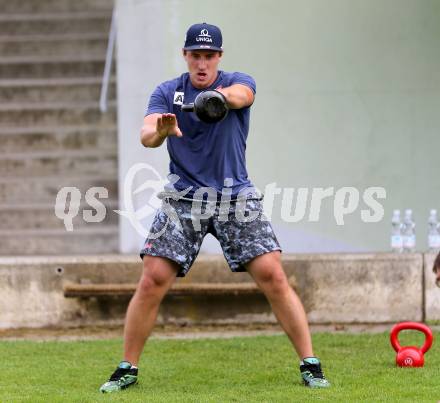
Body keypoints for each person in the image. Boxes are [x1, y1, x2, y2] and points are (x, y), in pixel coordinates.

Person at [100, 22, 330, 393]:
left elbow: (243, 96)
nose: (202, 63)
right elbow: (146, 135)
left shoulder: (238, 81)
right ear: (186, 56)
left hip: (235, 196)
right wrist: (161, 131)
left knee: (273, 275)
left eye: (209, 56)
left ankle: (311, 364)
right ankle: (127, 368)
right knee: (152, 278)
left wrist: (219, 99)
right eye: (196, 55)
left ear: (219, 57)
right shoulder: (168, 92)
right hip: (183, 198)